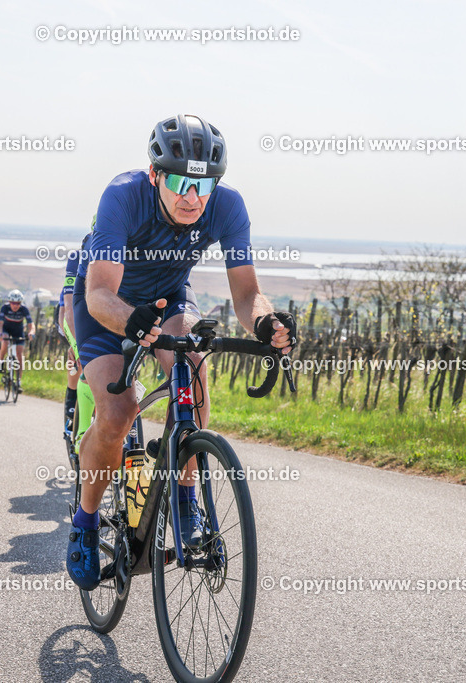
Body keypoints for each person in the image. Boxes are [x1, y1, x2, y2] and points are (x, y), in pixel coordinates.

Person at [66, 114, 297, 590]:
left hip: (169, 298)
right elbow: (99, 294)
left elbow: (247, 292)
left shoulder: (228, 207)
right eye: (177, 182)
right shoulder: (123, 195)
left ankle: (187, 498)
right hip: (108, 305)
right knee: (118, 409)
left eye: (204, 185)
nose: (192, 197)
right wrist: (130, 321)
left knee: (193, 359)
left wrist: (267, 322)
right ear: (155, 175)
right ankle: (86, 521)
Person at [59, 230, 94, 438]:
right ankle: (74, 419)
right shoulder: (78, 256)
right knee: (82, 362)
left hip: (102, 316)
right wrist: (77, 346)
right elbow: (70, 309)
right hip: (71, 313)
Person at [0, 290, 34, 385]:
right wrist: (0, 333)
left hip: (18, 331)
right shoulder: (4, 308)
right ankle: (1, 361)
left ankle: (18, 380)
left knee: (19, 355)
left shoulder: (24, 309)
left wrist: (31, 332)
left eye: (18, 303)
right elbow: (0, 323)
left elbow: (31, 324)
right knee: (5, 342)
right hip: (6, 330)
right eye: (13, 303)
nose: (15, 305)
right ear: (9, 302)